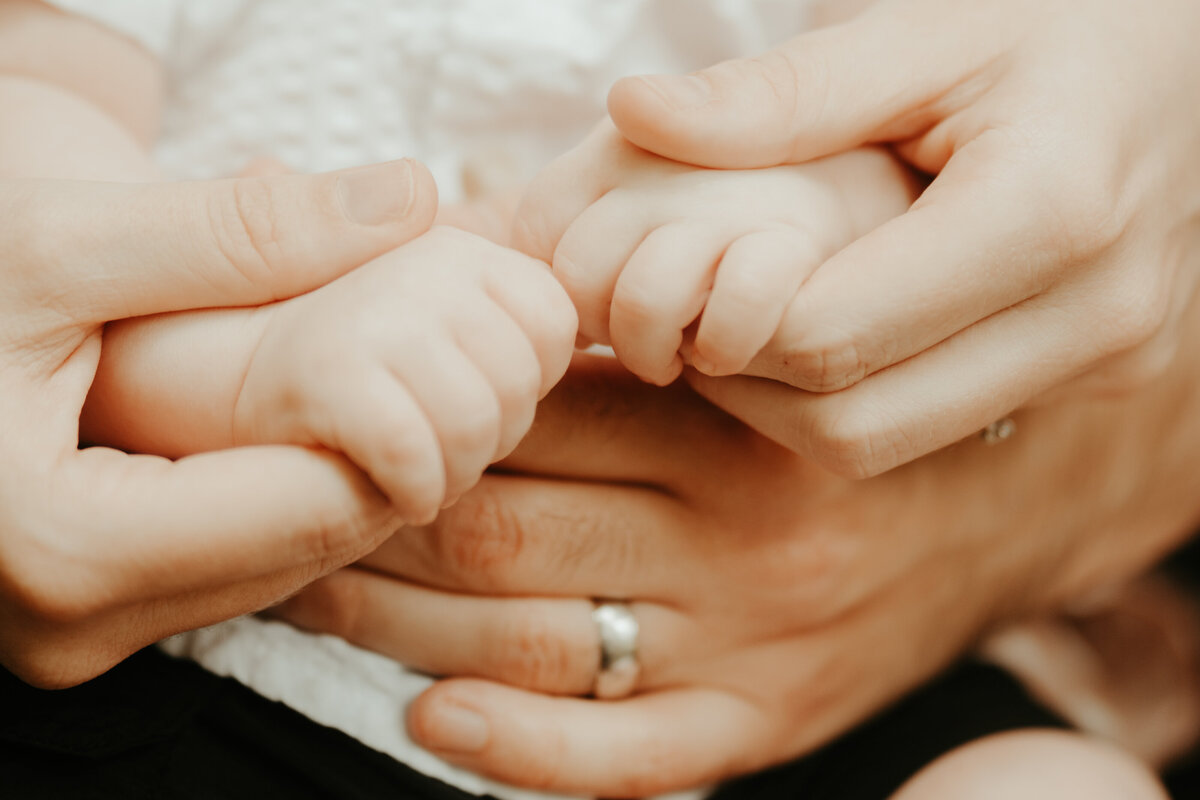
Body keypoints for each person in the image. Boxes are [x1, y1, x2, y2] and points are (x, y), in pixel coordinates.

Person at [1, 1, 1198, 799]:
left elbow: (962, 129)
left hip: (773, 677)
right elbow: (48, 184)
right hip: (251, 642)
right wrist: (255, 367)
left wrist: (822, 210)